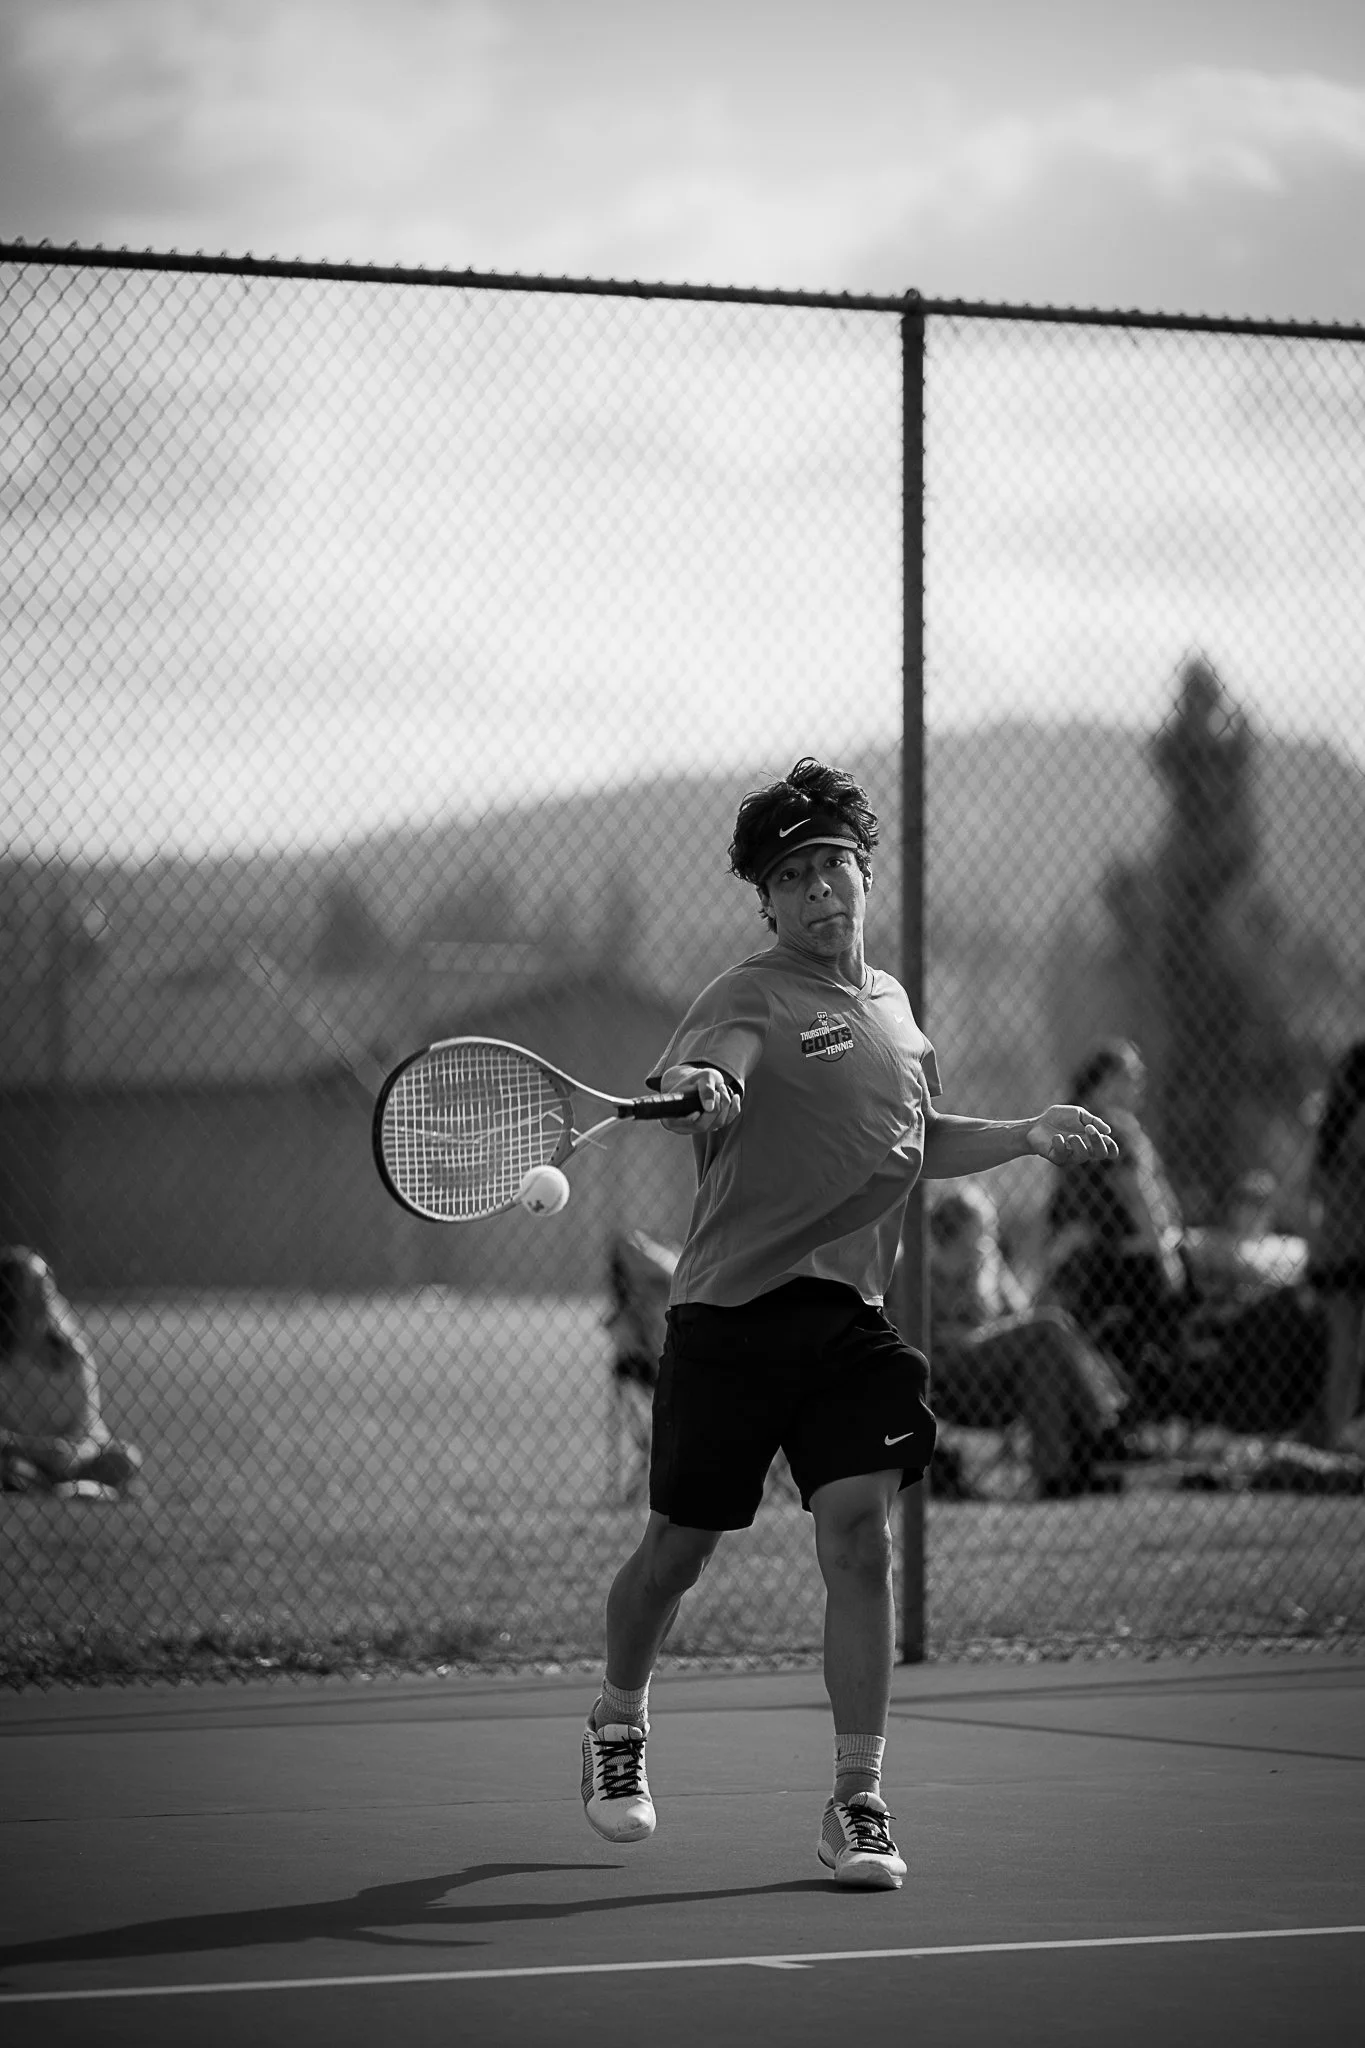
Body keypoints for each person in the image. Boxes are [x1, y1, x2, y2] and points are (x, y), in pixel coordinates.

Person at [578, 757, 1117, 1890]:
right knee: (677, 1553)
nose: (818, 888)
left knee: (859, 1539)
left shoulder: (894, 1010)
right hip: (730, 1316)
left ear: (865, 874)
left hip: (847, 1321)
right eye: (792, 876)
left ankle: (856, 1799)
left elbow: (914, 1139)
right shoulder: (748, 995)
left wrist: (1025, 1132)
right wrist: (708, 1086)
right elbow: (709, 1068)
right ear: (767, 903)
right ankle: (618, 1717)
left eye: (833, 863)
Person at [928, 1183, 1128, 1497]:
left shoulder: (990, 1267)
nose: (990, 1234)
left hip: (998, 1378)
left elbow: (1024, 1317)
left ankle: (1054, 1477)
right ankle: (1106, 1420)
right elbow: (918, 1345)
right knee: (1048, 1326)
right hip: (950, 1380)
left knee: (1041, 1359)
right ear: (959, 1231)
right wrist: (980, 1335)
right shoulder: (915, 1272)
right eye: (982, 1227)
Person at [1043, 1039, 1187, 1418]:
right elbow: (1139, 1197)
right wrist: (1165, 1254)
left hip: (1085, 1263)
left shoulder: (1068, 1123)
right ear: (1109, 1079)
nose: (1139, 1086)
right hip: (1124, 1264)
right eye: (1133, 1077)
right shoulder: (1115, 1129)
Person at [0, 1246, 141, 1498]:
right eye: (31, 1291)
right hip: (18, 1454)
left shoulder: (71, 1354)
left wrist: (72, 1454)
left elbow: (88, 1428)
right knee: (10, 1465)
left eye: (45, 1290)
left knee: (124, 1457)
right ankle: (47, 1485)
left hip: (70, 1460)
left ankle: (44, 1485)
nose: (42, 1300)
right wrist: (33, 1449)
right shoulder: (5, 1360)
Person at [1302, 1042, 1365, 1450]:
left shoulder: (1331, 1125)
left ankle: (1336, 1432)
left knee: (1344, 1350)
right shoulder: (1361, 1123)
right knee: (1348, 1352)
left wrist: (1313, 1248)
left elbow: (1313, 1194)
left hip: (1331, 1247)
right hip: (1356, 1246)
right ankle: (1340, 1434)